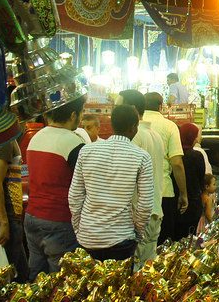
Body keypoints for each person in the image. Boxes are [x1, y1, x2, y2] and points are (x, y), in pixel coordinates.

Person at [69, 105, 153, 262]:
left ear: (112, 125)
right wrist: (138, 233)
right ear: (134, 127)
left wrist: (79, 228)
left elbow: (74, 196)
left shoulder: (86, 151)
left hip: (87, 238)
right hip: (121, 239)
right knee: (118, 287)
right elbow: (145, 204)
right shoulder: (141, 157)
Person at [24, 96, 86, 279]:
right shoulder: (73, 143)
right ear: (73, 114)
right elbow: (85, 182)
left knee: (36, 277)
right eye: (81, 113)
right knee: (60, 280)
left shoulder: (36, 137)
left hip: (32, 216)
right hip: (59, 220)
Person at [120, 90, 166, 269]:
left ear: (131, 109)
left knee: (135, 269)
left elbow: (128, 180)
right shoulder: (154, 135)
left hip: (139, 215)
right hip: (154, 211)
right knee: (148, 268)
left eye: (119, 106)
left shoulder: (135, 136)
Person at [140, 91, 189, 244]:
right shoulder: (169, 126)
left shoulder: (135, 125)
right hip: (164, 192)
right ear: (160, 106)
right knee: (162, 244)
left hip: (138, 195)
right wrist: (183, 194)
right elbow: (177, 163)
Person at [0, 139, 28, 282]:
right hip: (7, 215)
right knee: (14, 278)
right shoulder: (4, 143)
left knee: (19, 272)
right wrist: (4, 222)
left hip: (7, 215)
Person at [174, 123, 206, 240]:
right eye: (197, 136)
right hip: (192, 202)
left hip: (176, 202)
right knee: (190, 237)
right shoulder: (196, 156)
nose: (198, 138)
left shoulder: (175, 156)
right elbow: (201, 179)